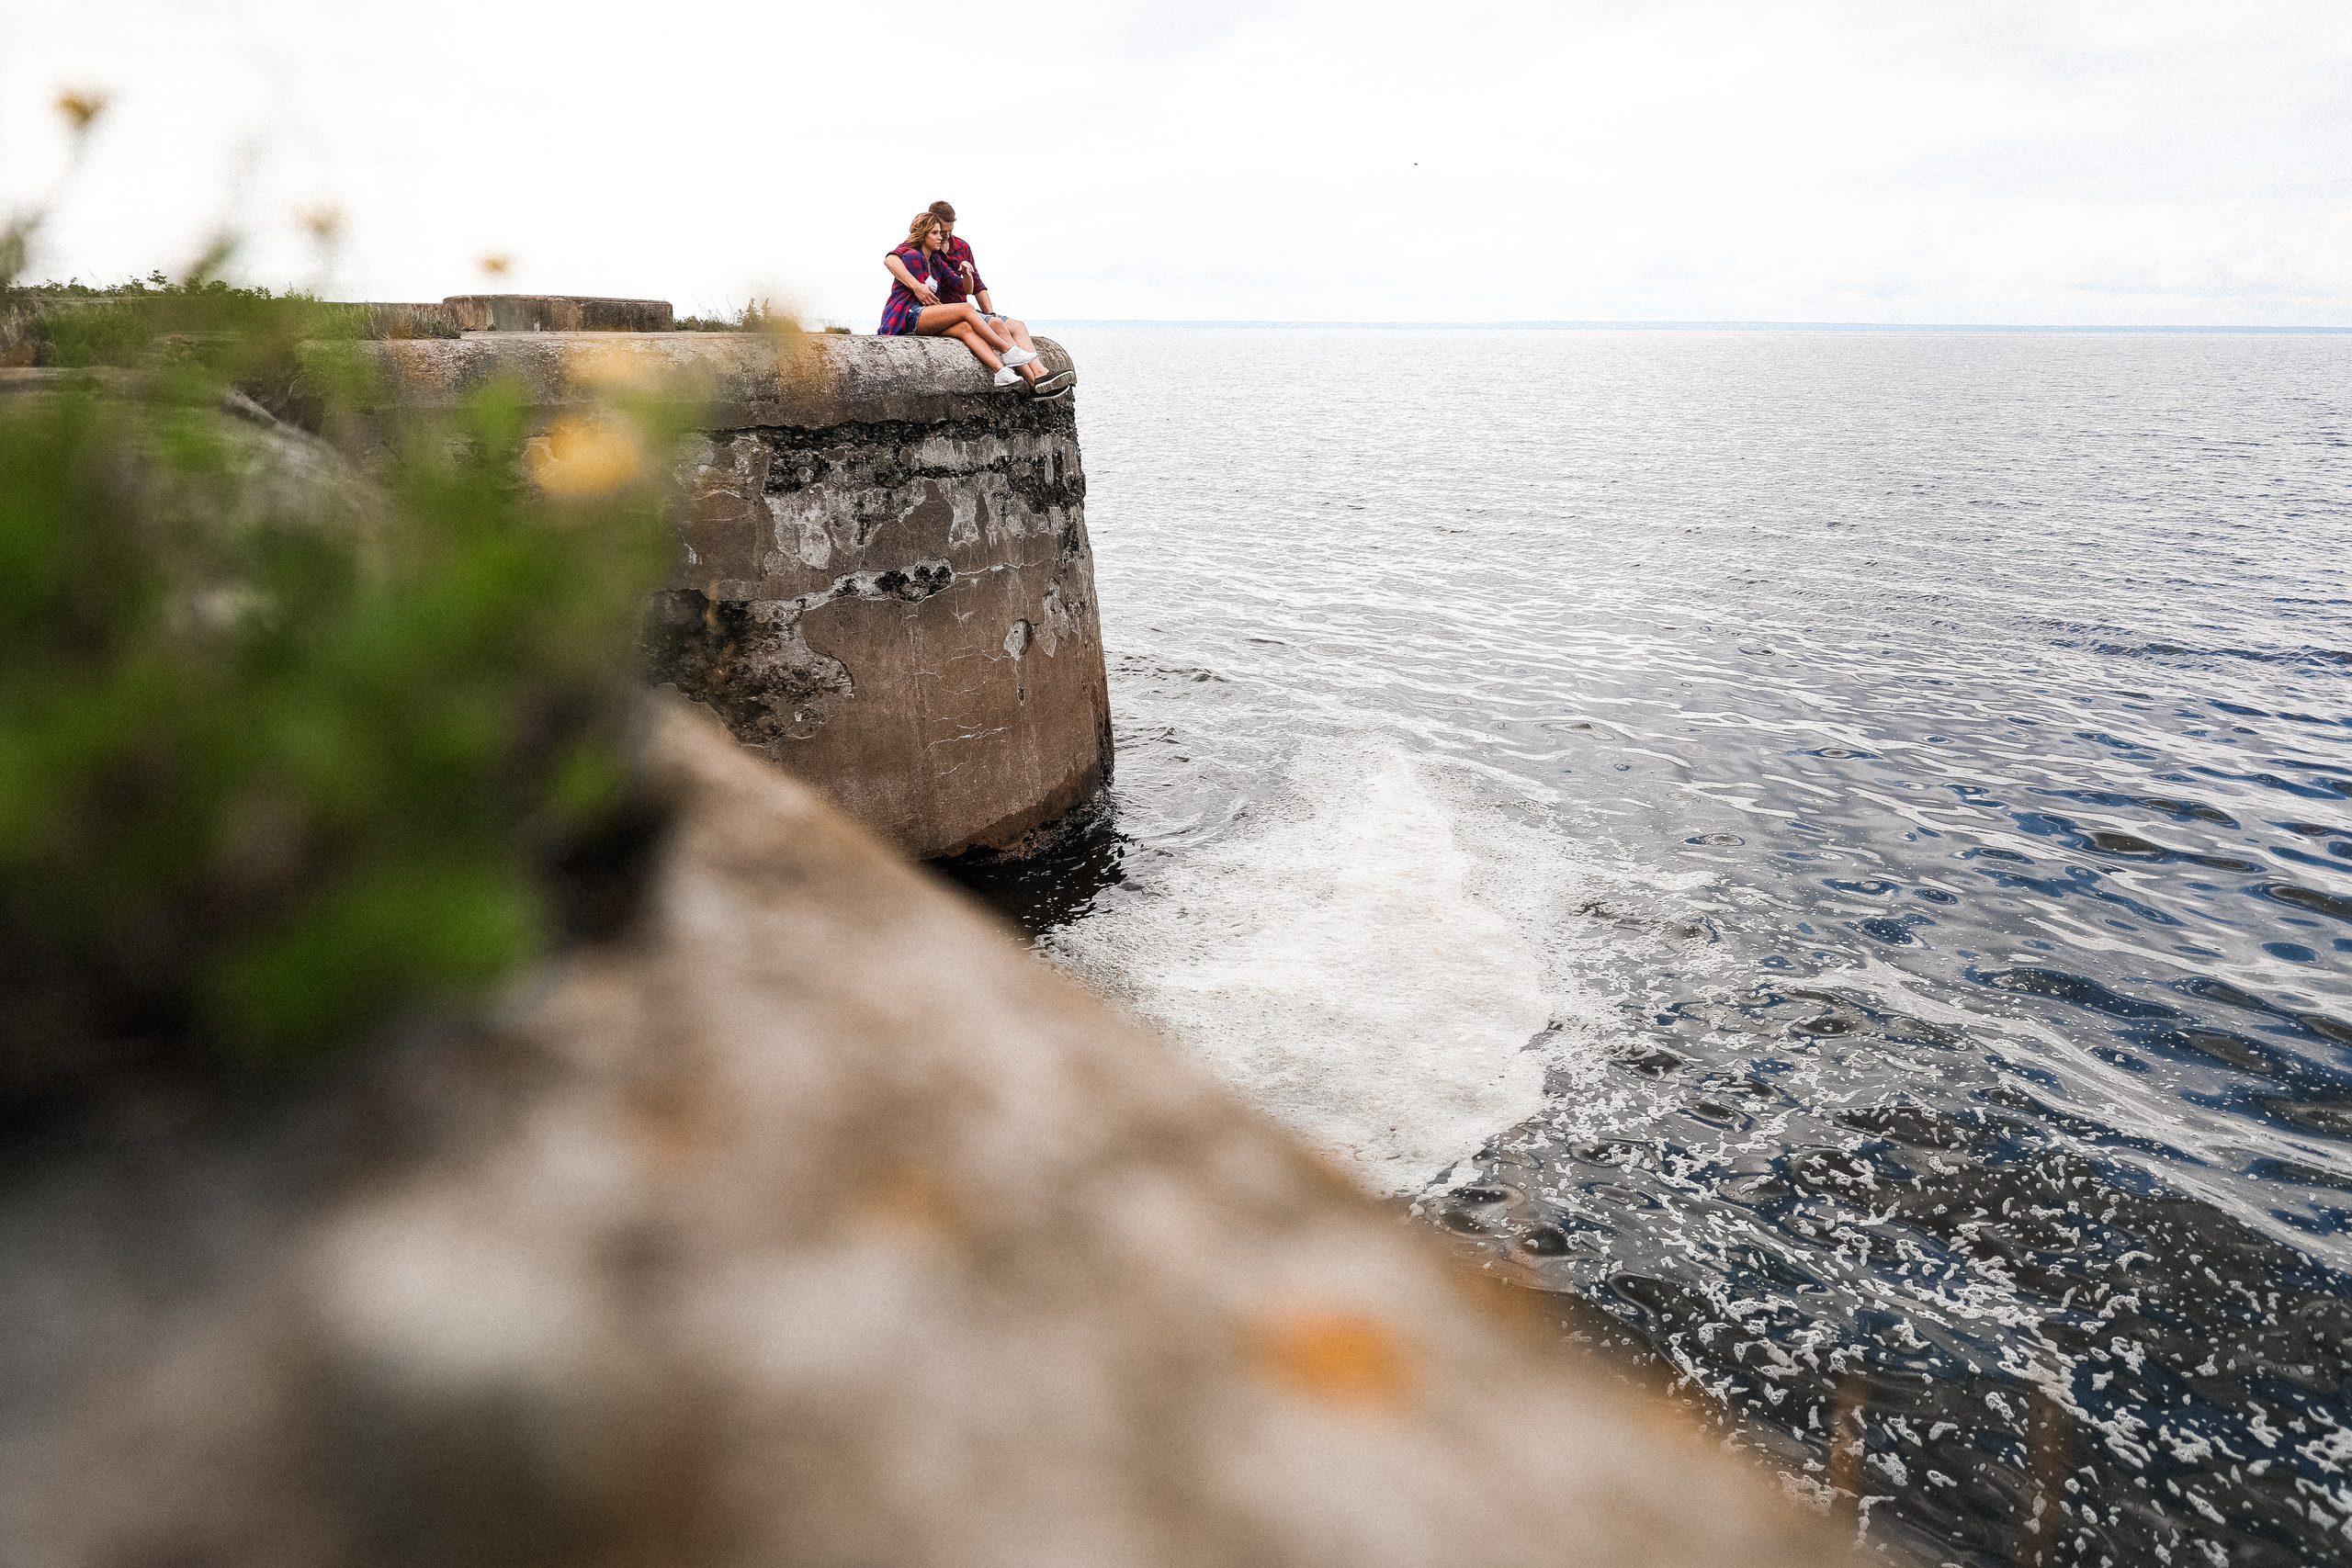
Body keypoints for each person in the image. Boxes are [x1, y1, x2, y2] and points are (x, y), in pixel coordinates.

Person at [926, 199, 1073, 400]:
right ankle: (1033, 383)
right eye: (942, 231)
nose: (946, 235)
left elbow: (976, 285)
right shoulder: (928, 250)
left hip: (968, 309)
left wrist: (990, 314)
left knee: (1017, 325)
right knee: (995, 324)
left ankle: (1041, 373)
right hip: (946, 312)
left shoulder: (961, 246)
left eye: (950, 230)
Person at [879, 213, 1035, 390]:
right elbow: (923, 298)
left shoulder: (936, 261)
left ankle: (1000, 371)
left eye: (940, 232)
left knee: (965, 328)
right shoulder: (912, 256)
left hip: (925, 315)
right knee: (966, 309)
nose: (941, 237)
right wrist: (951, 312)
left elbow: (964, 288)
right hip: (907, 315)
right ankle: (1007, 351)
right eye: (935, 233)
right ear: (922, 235)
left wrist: (966, 273)